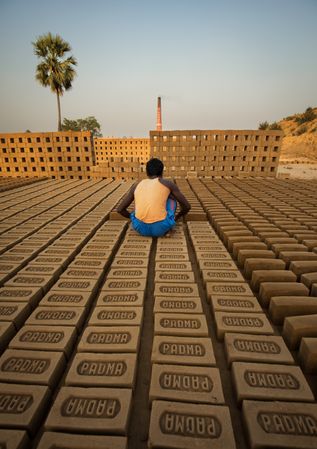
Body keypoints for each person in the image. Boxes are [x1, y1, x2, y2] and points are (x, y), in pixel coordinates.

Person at [117, 158, 191, 237]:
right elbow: (187, 206)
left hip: (140, 228)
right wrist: (177, 217)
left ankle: (140, 220)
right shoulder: (168, 184)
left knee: (138, 208)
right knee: (171, 199)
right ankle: (168, 225)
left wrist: (133, 219)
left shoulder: (136, 185)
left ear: (147, 172)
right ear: (162, 171)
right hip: (161, 228)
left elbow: (120, 209)